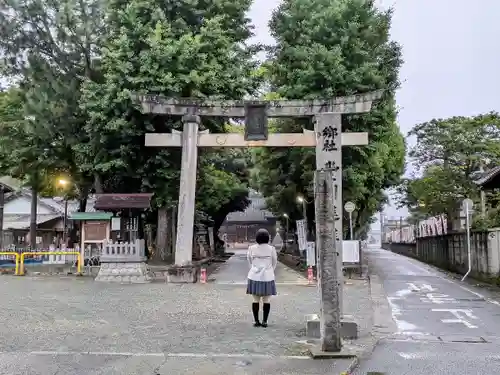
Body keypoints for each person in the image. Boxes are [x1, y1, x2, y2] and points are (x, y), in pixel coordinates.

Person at [246, 228, 277, 327]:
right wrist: (269, 270)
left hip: (254, 277)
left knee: (255, 300)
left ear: (257, 238)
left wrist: (255, 269)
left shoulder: (251, 248)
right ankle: (265, 321)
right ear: (268, 238)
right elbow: (274, 262)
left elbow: (249, 261)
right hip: (267, 277)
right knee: (266, 300)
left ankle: (256, 321)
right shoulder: (271, 249)